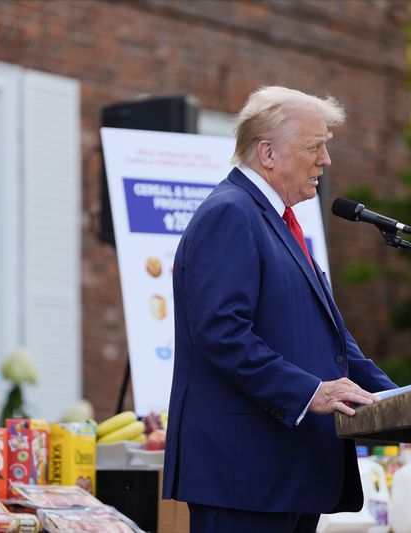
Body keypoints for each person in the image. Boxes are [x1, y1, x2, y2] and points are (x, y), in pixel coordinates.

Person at [162, 86, 398, 533]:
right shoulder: (230, 214)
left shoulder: (281, 223)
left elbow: (334, 342)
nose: (326, 160)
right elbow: (222, 333)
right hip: (243, 475)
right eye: (315, 146)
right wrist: (312, 392)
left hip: (288, 472)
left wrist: (401, 400)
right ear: (267, 153)